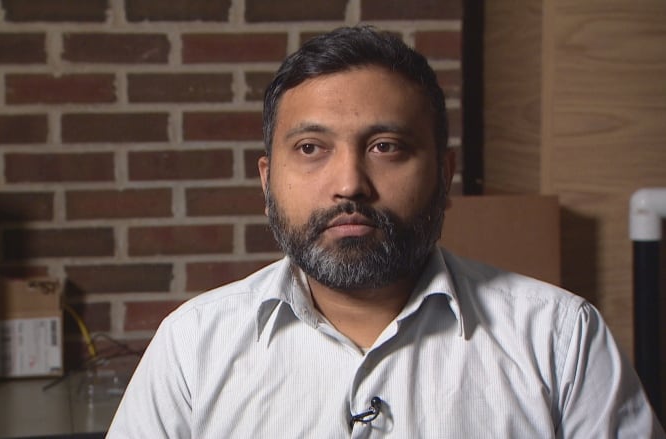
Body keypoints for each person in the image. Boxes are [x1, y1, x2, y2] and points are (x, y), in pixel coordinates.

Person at [107, 26, 665, 438]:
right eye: (310, 149)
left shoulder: (561, 342)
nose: (349, 183)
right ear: (268, 178)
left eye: (386, 147)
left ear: (444, 176)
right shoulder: (192, 347)